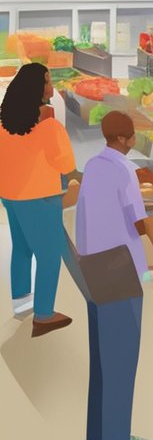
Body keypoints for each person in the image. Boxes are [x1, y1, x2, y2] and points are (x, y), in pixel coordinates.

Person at [76, 110, 153, 440]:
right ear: (127, 139)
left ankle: (98, 436)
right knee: (121, 360)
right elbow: (140, 221)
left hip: (92, 269)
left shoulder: (94, 166)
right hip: (120, 271)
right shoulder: (124, 170)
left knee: (101, 358)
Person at [0, 62, 78, 336]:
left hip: (10, 195)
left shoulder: (3, 124)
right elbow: (66, 163)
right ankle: (44, 314)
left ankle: (21, 304)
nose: (51, 86)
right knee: (49, 255)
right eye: (46, 81)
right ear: (36, 89)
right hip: (41, 198)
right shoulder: (49, 128)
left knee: (22, 249)